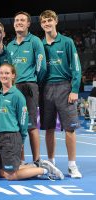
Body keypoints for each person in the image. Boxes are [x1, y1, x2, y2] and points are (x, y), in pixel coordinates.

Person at [0, 63, 64, 181]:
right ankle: (37, 165)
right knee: (0, 172)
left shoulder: (17, 96)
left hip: (11, 137)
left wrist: (21, 140)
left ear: (13, 75)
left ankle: (45, 170)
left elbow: (23, 120)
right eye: (1, 73)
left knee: (11, 176)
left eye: (7, 73)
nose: (3, 75)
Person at [39, 10, 82, 178]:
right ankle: (51, 162)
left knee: (69, 129)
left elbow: (76, 67)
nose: (47, 23)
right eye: (44, 21)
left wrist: (75, 89)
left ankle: (72, 165)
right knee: (49, 129)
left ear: (56, 21)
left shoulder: (67, 42)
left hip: (65, 87)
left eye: (50, 20)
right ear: (41, 24)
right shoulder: (39, 44)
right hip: (46, 89)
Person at [7, 11, 47, 165]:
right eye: (17, 20)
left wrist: (34, 80)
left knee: (31, 125)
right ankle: (21, 160)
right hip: (14, 88)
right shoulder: (10, 45)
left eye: (22, 20)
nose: (19, 22)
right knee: (17, 126)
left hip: (29, 86)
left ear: (28, 23)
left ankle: (37, 160)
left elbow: (41, 66)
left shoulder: (35, 41)